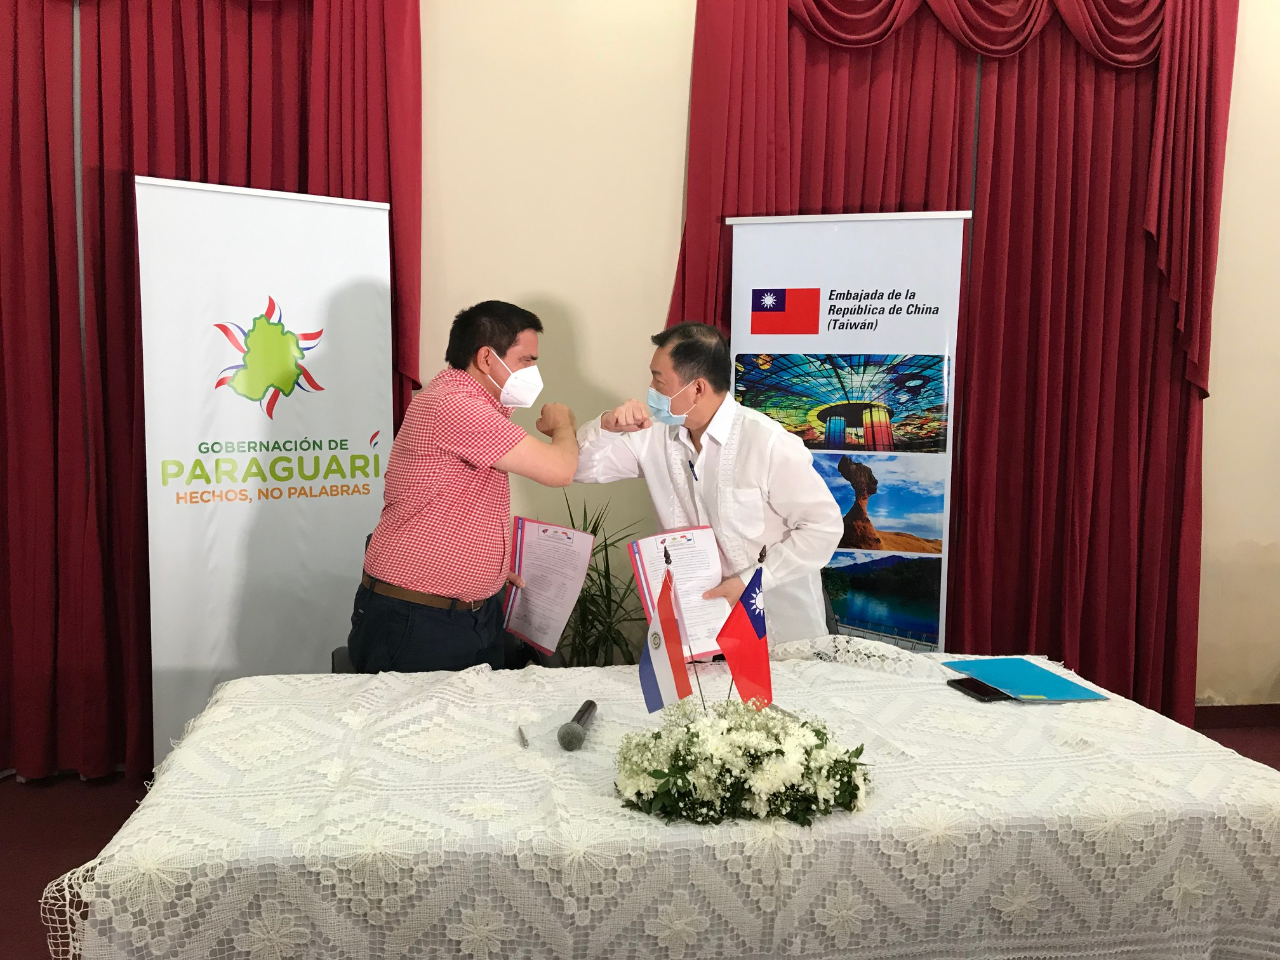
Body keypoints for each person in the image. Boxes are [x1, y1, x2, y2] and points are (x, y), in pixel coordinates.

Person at [574, 322, 841, 645]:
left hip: (778, 627)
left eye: (659, 380)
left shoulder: (766, 442)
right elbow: (579, 469)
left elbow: (823, 527)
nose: (650, 388)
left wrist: (751, 581)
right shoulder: (654, 436)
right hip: (700, 629)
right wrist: (607, 426)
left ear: (697, 388)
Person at [348, 301, 578, 673]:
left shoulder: (473, 405)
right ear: (487, 358)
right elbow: (559, 470)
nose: (533, 373)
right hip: (419, 617)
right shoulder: (454, 405)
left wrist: (488, 567)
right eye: (526, 360)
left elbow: (461, 500)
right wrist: (564, 422)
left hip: (469, 613)